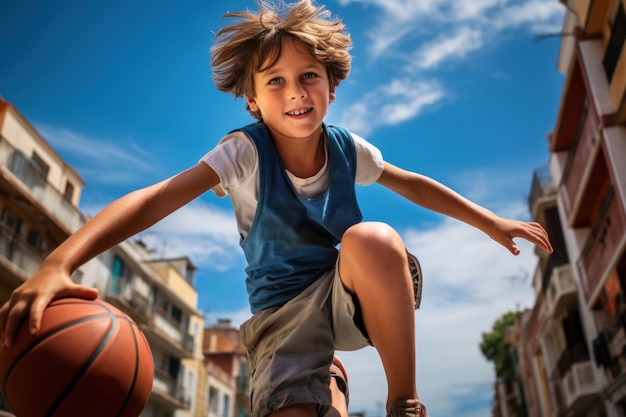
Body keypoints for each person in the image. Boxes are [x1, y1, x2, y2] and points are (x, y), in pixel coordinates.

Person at [0, 1, 553, 417]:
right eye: (276, 81)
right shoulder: (244, 153)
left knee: (374, 238)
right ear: (253, 99)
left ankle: (402, 399)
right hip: (281, 315)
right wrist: (58, 262)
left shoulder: (345, 147)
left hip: (346, 294)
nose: (296, 92)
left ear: (331, 86)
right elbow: (153, 199)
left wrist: (490, 221)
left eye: (309, 76)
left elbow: (413, 184)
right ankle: (326, 382)